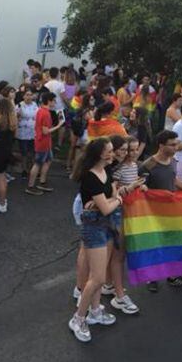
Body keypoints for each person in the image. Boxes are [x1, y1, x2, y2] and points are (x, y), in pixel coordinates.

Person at [68, 138, 121, 343]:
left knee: (98, 273)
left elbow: (110, 197)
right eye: (109, 150)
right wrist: (116, 201)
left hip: (104, 224)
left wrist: (110, 200)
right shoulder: (91, 177)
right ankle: (78, 318)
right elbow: (110, 205)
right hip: (94, 228)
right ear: (100, 154)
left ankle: (96, 311)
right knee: (98, 278)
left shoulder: (105, 171)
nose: (113, 153)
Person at [140, 130, 182, 292]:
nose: (176, 147)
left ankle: (173, 276)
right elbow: (140, 188)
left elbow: (174, 180)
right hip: (153, 212)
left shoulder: (172, 160)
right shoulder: (148, 165)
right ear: (161, 146)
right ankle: (152, 277)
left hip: (171, 211)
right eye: (172, 145)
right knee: (155, 245)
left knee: (173, 243)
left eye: (176, 144)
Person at [104, 136, 143, 316]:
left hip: (124, 213)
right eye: (127, 149)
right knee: (117, 254)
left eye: (133, 149)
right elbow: (114, 194)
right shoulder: (115, 169)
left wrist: (138, 187)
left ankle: (109, 284)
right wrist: (132, 187)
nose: (129, 153)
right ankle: (119, 296)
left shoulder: (130, 166)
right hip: (116, 213)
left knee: (115, 253)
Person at [25, 92, 63, 196]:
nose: (55, 102)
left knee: (48, 160)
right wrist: (58, 126)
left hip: (44, 142)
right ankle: (30, 186)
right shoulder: (45, 113)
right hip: (42, 142)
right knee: (38, 163)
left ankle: (42, 181)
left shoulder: (41, 110)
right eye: (54, 100)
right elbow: (45, 131)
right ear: (49, 101)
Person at [15, 88, 38, 178]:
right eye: (27, 95)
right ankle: (24, 169)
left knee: (32, 152)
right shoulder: (19, 106)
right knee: (24, 152)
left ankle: (32, 169)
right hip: (23, 131)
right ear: (23, 96)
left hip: (33, 131)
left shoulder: (35, 105)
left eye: (30, 95)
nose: (29, 97)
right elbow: (16, 117)